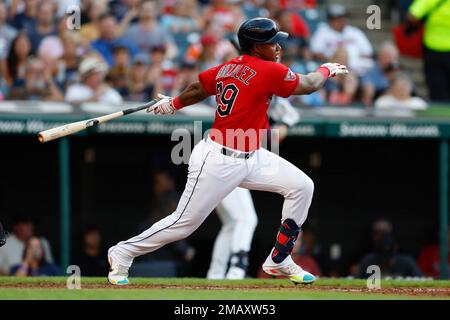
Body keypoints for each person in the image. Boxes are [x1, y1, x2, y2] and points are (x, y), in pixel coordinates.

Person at [107, 17, 348, 285]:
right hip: (217, 159)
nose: (278, 47)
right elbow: (310, 84)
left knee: (302, 186)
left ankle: (279, 259)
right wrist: (326, 69)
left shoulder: (228, 67)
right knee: (183, 224)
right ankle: (122, 252)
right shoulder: (269, 70)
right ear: (256, 47)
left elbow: (199, 87)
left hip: (253, 156)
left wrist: (174, 103)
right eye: (272, 43)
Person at [207, 96, 301, 280]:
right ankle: (237, 269)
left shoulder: (265, 100)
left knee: (231, 224)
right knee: (247, 219)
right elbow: (272, 135)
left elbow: (288, 113)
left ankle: (216, 273)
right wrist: (281, 125)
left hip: (227, 164)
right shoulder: (245, 103)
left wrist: (282, 118)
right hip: (226, 162)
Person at [310, 4, 374, 76]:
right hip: (333, 68)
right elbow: (316, 52)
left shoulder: (354, 32)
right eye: (337, 18)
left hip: (356, 68)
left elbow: (367, 51)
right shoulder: (322, 32)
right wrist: (336, 58)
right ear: (330, 20)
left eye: (343, 17)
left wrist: (352, 57)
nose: (341, 21)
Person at [407, 0, 450, 102]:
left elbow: (412, 15)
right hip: (434, 51)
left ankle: (440, 117)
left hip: (433, 49)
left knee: (437, 93)